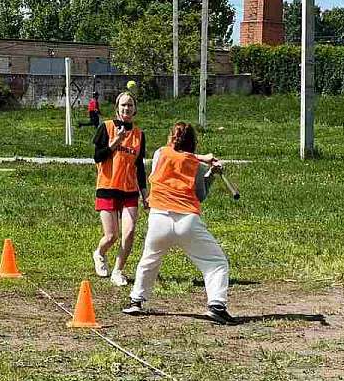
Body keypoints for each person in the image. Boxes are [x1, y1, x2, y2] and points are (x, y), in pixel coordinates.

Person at [121, 122, 236, 325]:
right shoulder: (196, 166)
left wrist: (205, 165)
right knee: (216, 263)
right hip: (187, 221)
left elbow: (176, 154)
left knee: (149, 260)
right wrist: (211, 173)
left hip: (159, 219)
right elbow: (200, 195)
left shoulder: (160, 154)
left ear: (172, 138)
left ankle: (136, 300)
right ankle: (217, 306)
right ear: (193, 142)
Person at [92, 91, 147, 287]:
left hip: (129, 190)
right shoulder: (106, 127)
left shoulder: (139, 135)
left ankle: (118, 270)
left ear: (135, 109)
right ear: (117, 108)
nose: (127, 108)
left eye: (130, 105)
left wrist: (144, 193)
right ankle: (99, 253)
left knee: (130, 231)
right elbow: (98, 157)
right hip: (107, 187)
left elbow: (139, 166)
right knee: (111, 235)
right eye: (123, 105)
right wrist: (115, 142)